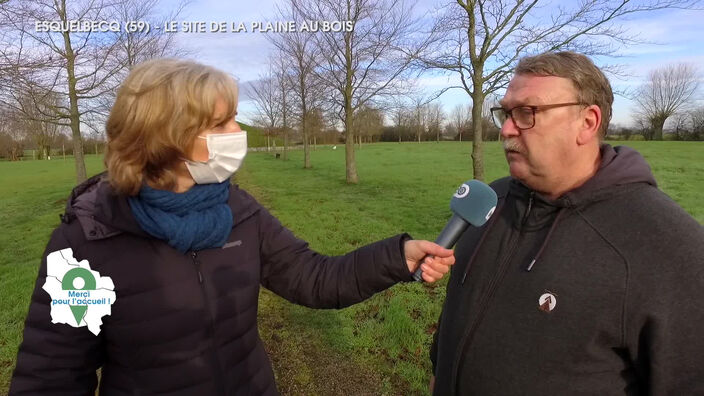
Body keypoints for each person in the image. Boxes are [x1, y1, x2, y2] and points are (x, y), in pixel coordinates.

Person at [9, 58, 456, 395]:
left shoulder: (238, 209)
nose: (237, 129)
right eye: (220, 122)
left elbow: (313, 278)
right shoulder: (86, 240)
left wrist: (397, 257)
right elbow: (53, 373)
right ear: (166, 135)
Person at [429, 51, 704, 395]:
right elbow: (460, 305)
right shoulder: (488, 205)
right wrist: (440, 366)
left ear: (587, 122)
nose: (507, 129)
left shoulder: (670, 247)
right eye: (507, 113)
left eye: (527, 113)